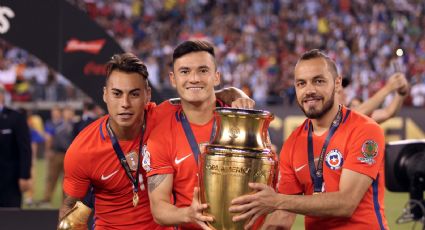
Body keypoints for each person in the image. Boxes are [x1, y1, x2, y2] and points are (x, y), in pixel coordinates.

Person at [60, 52, 253, 229]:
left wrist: (237, 95)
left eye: (134, 94)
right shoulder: (83, 149)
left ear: (147, 95)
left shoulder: (164, 115)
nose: (125, 104)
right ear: (105, 94)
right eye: (117, 93)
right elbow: (69, 211)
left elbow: (207, 95)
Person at [229, 49, 389, 230]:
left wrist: (277, 200)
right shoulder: (293, 142)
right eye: (301, 83)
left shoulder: (364, 129)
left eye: (318, 81)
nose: (309, 90)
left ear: (337, 84)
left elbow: (346, 203)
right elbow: (283, 214)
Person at [144, 40, 254, 229]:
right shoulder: (161, 136)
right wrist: (189, 214)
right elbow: (159, 209)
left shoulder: (243, 122)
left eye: (203, 70)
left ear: (216, 76)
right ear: (173, 78)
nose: (194, 78)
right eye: (184, 72)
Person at [0, 84, 32, 208]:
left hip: (9, 180)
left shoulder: (16, 118)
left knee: (10, 218)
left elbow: (25, 149)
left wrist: (25, 176)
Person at [340, 72, 409, 124]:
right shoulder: (333, 118)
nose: (343, 92)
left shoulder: (361, 118)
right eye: (338, 91)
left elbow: (388, 112)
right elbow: (359, 112)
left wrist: (400, 93)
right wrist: (388, 88)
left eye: (344, 87)